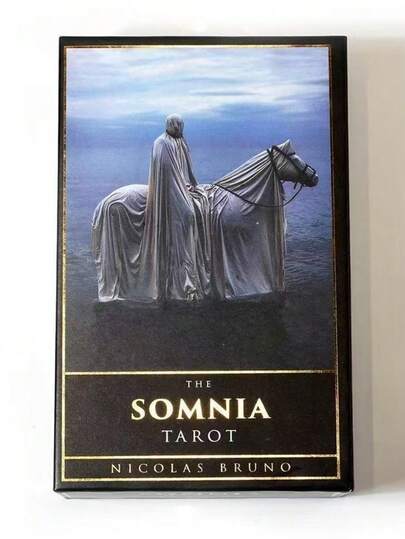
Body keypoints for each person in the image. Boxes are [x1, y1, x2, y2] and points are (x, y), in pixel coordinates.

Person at [134, 114, 211, 303]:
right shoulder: (161, 143)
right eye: (177, 125)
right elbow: (168, 172)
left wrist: (192, 184)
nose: (179, 128)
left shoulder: (181, 142)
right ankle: (181, 277)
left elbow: (185, 169)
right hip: (168, 190)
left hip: (182, 186)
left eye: (180, 125)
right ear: (170, 125)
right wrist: (182, 188)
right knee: (188, 214)